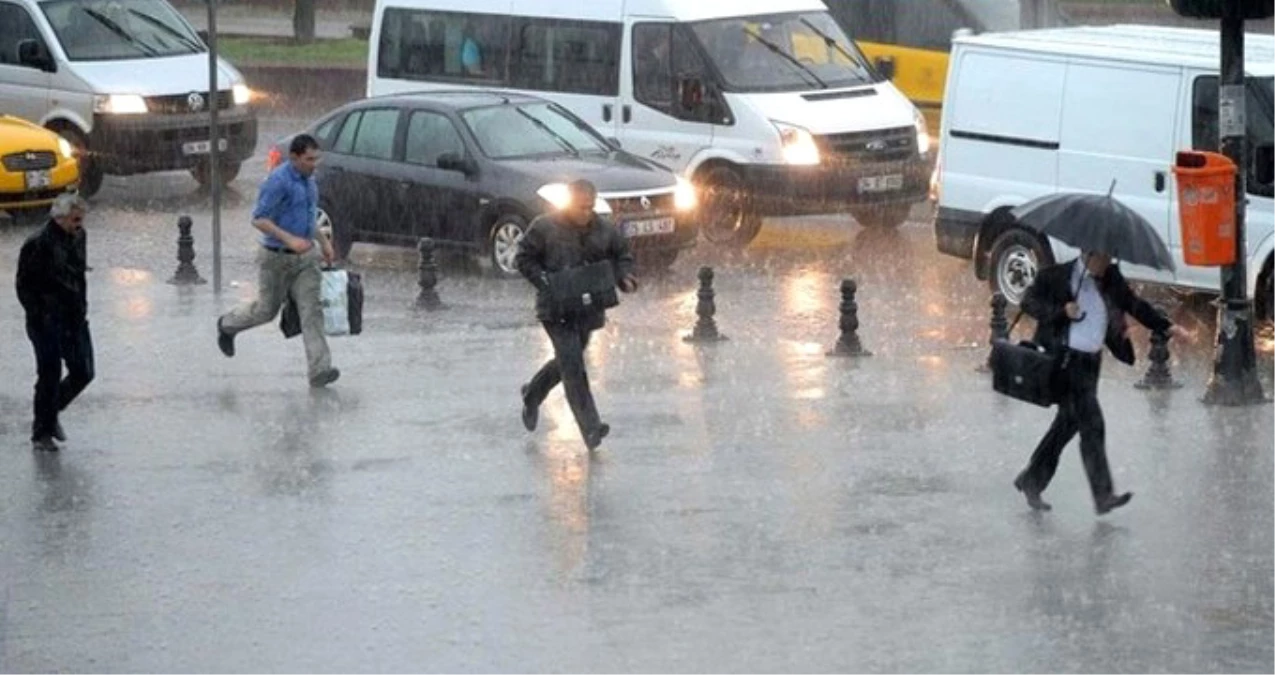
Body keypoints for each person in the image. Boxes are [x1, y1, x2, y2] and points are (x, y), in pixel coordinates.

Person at [1013, 251, 1191, 515]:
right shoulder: (1056, 276)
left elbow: (1134, 304)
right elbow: (1028, 302)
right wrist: (1061, 311)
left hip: (1090, 363)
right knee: (1092, 424)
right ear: (1088, 253)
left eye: (1111, 258)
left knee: (1068, 423)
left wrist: (1165, 326)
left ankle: (1031, 480)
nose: (1108, 263)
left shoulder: (1111, 278)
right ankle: (1103, 494)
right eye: (1104, 258)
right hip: (1064, 362)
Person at [515, 180, 637, 451]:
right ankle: (591, 427)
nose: (586, 213)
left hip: (587, 309)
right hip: (555, 310)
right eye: (581, 207)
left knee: (567, 359)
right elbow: (522, 258)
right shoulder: (544, 227)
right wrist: (544, 280)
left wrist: (624, 277)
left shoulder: (604, 230)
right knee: (572, 366)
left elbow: (622, 255)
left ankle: (532, 393)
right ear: (568, 203)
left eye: (590, 208)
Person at [216, 134, 340, 388]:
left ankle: (319, 370)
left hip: (305, 261)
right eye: (308, 159)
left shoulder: (309, 181)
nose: (313, 164)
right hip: (275, 259)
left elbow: (308, 218)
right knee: (266, 311)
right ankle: (227, 325)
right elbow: (259, 219)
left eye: (316, 159)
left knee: (312, 312)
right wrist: (289, 239)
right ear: (294, 158)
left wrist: (325, 243)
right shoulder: (278, 181)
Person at [15, 193, 95, 452]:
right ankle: (42, 432)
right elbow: (24, 286)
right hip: (46, 320)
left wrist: (81, 307)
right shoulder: (38, 244)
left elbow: (79, 274)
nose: (79, 225)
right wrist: (40, 315)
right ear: (59, 218)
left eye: (81, 219)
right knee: (49, 373)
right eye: (74, 220)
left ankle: (50, 412)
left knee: (84, 371)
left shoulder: (79, 236)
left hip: (74, 316)